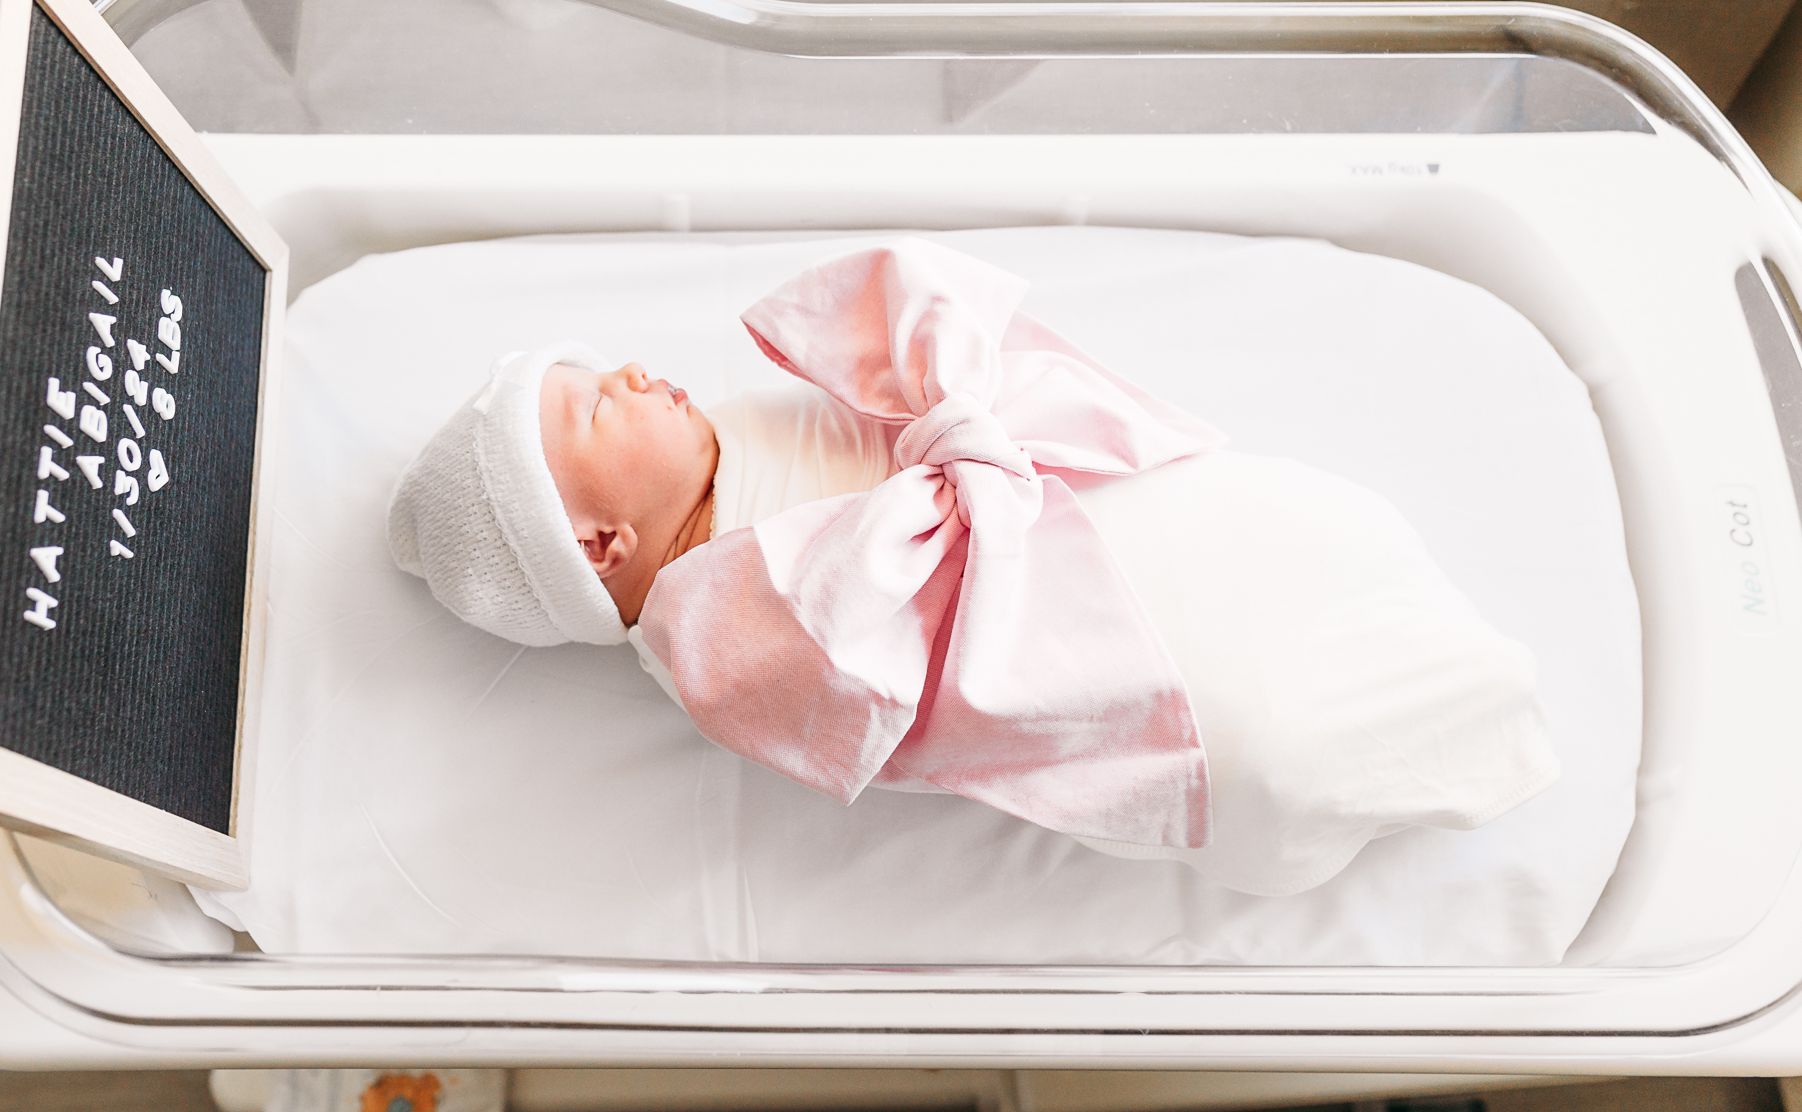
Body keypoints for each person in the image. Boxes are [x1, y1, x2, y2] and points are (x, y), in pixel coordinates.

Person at [388, 240, 1558, 894]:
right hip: (1023, 622)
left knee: (1286, 532)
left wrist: (947, 415)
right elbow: (883, 691)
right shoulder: (711, 634)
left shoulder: (729, 426)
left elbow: (866, 399)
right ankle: (1418, 737)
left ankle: (1411, 654)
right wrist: (950, 487)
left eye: (607, 368)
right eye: (598, 406)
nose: (635, 374)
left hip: (1063, 504)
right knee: (1256, 733)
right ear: (600, 545)